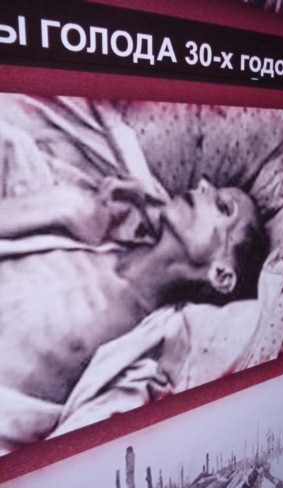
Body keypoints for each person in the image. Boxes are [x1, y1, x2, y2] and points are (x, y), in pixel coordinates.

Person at [0, 176, 268, 451]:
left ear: (221, 275)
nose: (203, 187)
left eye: (223, 208)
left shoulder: (145, 346)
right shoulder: (96, 228)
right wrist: (67, 205)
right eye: (207, 185)